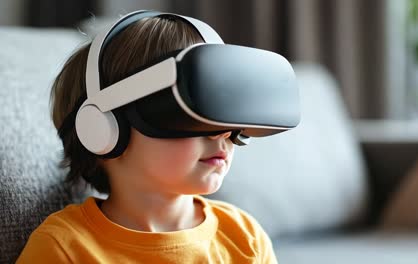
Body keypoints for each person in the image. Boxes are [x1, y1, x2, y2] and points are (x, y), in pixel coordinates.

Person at [17, 11, 279, 263]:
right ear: (102, 128)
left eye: (223, 113)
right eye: (188, 114)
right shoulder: (64, 248)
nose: (223, 132)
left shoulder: (245, 237)